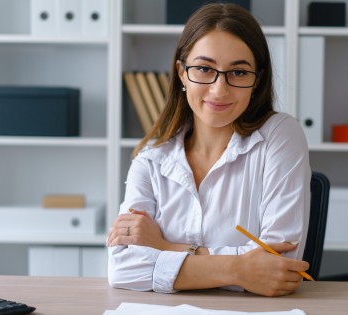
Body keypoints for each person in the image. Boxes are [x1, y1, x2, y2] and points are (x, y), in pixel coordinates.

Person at [106, 3, 311, 297]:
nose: (219, 89)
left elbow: (280, 267)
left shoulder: (280, 136)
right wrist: (240, 269)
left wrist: (165, 248)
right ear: (181, 73)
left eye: (238, 72)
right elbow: (123, 268)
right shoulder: (150, 160)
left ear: (258, 80)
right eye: (204, 68)